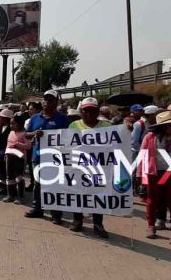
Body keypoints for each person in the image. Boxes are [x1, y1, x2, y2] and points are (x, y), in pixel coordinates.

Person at [137, 111, 171, 245]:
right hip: (154, 173)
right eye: (170, 125)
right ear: (162, 126)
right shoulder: (150, 137)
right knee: (152, 200)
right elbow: (142, 156)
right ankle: (151, 225)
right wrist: (140, 175)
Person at [67, 97, 112, 238]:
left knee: (98, 195)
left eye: (92, 110)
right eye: (86, 110)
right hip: (79, 166)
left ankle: (98, 224)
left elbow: (114, 144)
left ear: (97, 111)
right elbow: (67, 145)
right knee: (78, 194)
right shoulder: (74, 125)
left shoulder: (106, 126)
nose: (89, 113)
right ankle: (77, 220)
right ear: (81, 111)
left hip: (99, 167)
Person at [24, 90, 70, 223]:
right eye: (45, 100)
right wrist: (33, 134)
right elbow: (26, 134)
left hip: (56, 158)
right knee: (38, 185)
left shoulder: (63, 119)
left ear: (56, 102)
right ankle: (37, 209)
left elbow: (70, 138)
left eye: (50, 100)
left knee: (55, 185)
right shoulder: (35, 118)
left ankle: (56, 213)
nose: (47, 102)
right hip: (38, 157)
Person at [2, 115, 30, 203]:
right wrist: (5, 154)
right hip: (9, 157)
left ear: (20, 124)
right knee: (9, 176)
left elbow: (29, 146)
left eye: (14, 123)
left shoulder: (24, 133)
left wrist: (18, 144)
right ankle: (10, 195)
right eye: (11, 123)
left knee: (19, 177)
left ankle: (20, 196)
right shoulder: (11, 132)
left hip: (19, 158)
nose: (11, 125)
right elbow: (8, 144)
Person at [0, 108, 13, 193]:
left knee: (7, 170)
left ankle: (7, 187)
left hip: (7, 152)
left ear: (5, 119)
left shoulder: (11, 129)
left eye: (1, 117)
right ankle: (2, 181)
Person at [24, 102, 41, 192]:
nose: (29, 111)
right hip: (28, 147)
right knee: (31, 166)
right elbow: (26, 133)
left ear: (37, 110)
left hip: (37, 148)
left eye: (31, 109)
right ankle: (32, 182)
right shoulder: (28, 121)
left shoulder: (40, 120)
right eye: (29, 109)